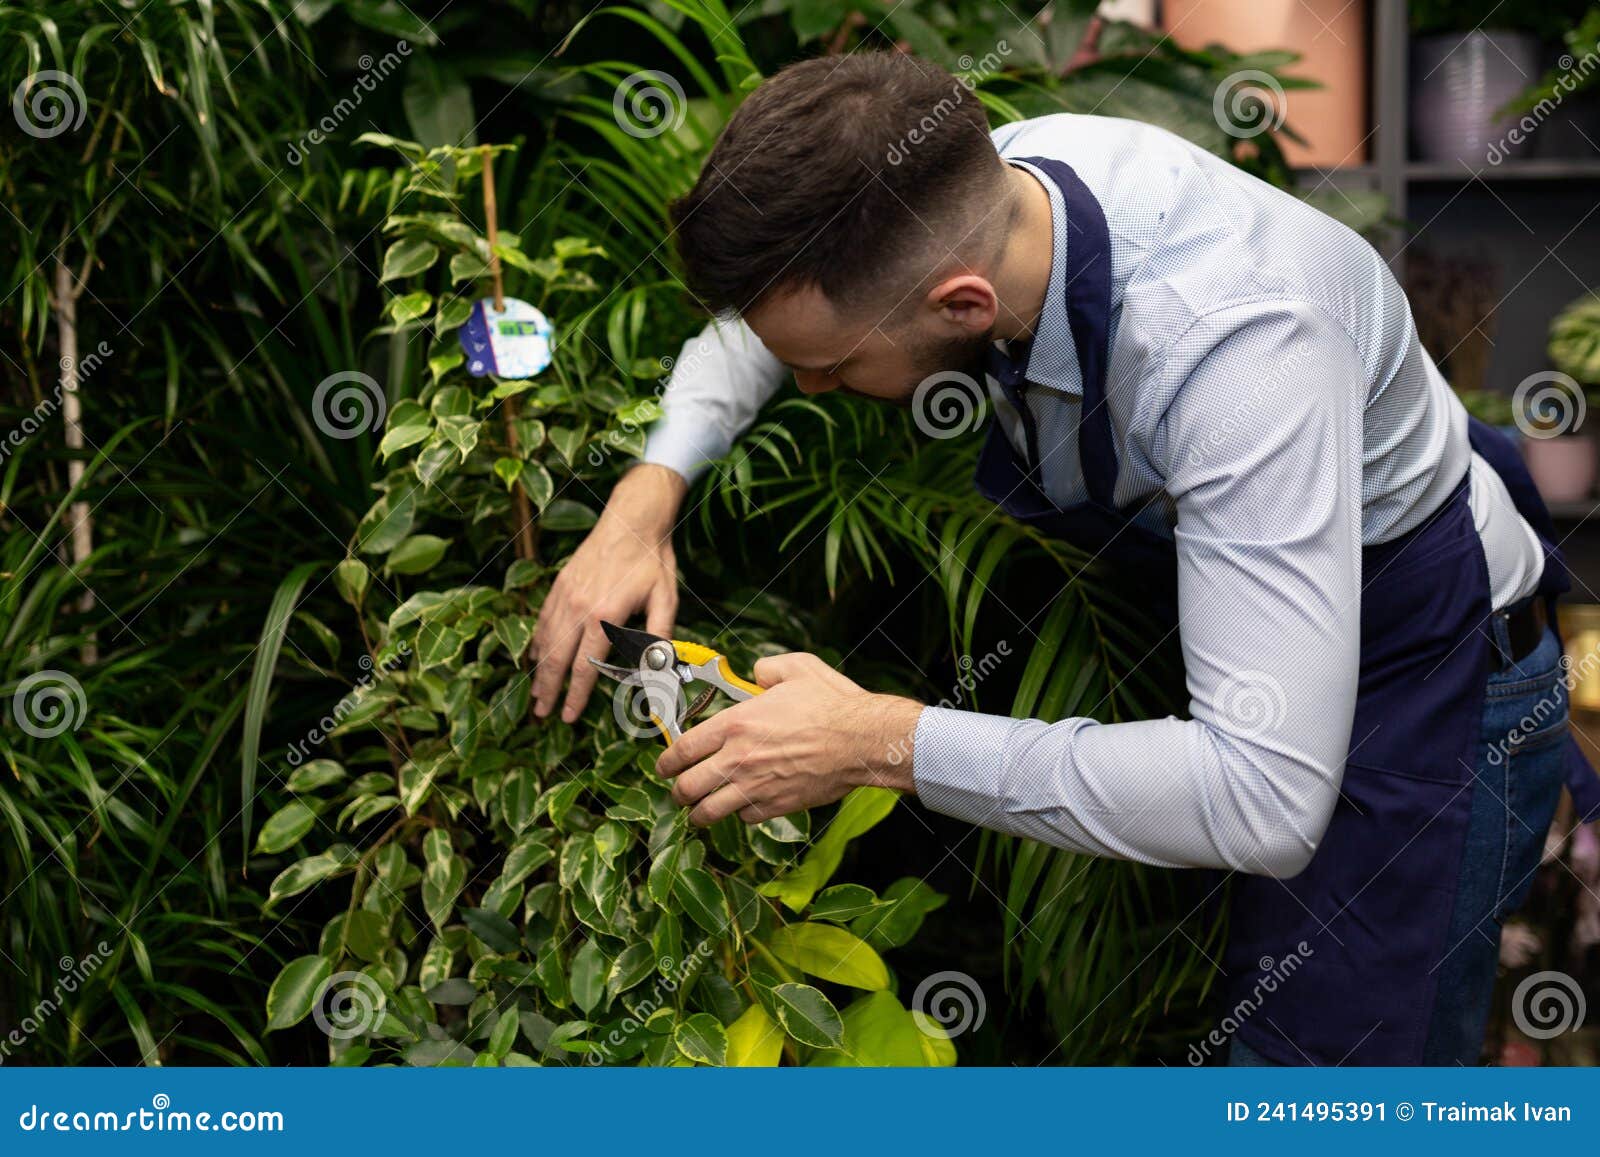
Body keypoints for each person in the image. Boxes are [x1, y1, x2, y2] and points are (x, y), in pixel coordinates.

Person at [529, 52, 1600, 1064]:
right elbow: (778, 315)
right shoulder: (986, 190)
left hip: (1426, 684)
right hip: (1273, 621)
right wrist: (643, 497)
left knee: (1328, 1082)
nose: (806, 388)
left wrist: (877, 739)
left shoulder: (1240, 356)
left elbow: (1261, 798)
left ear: (962, 308)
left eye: (832, 368)